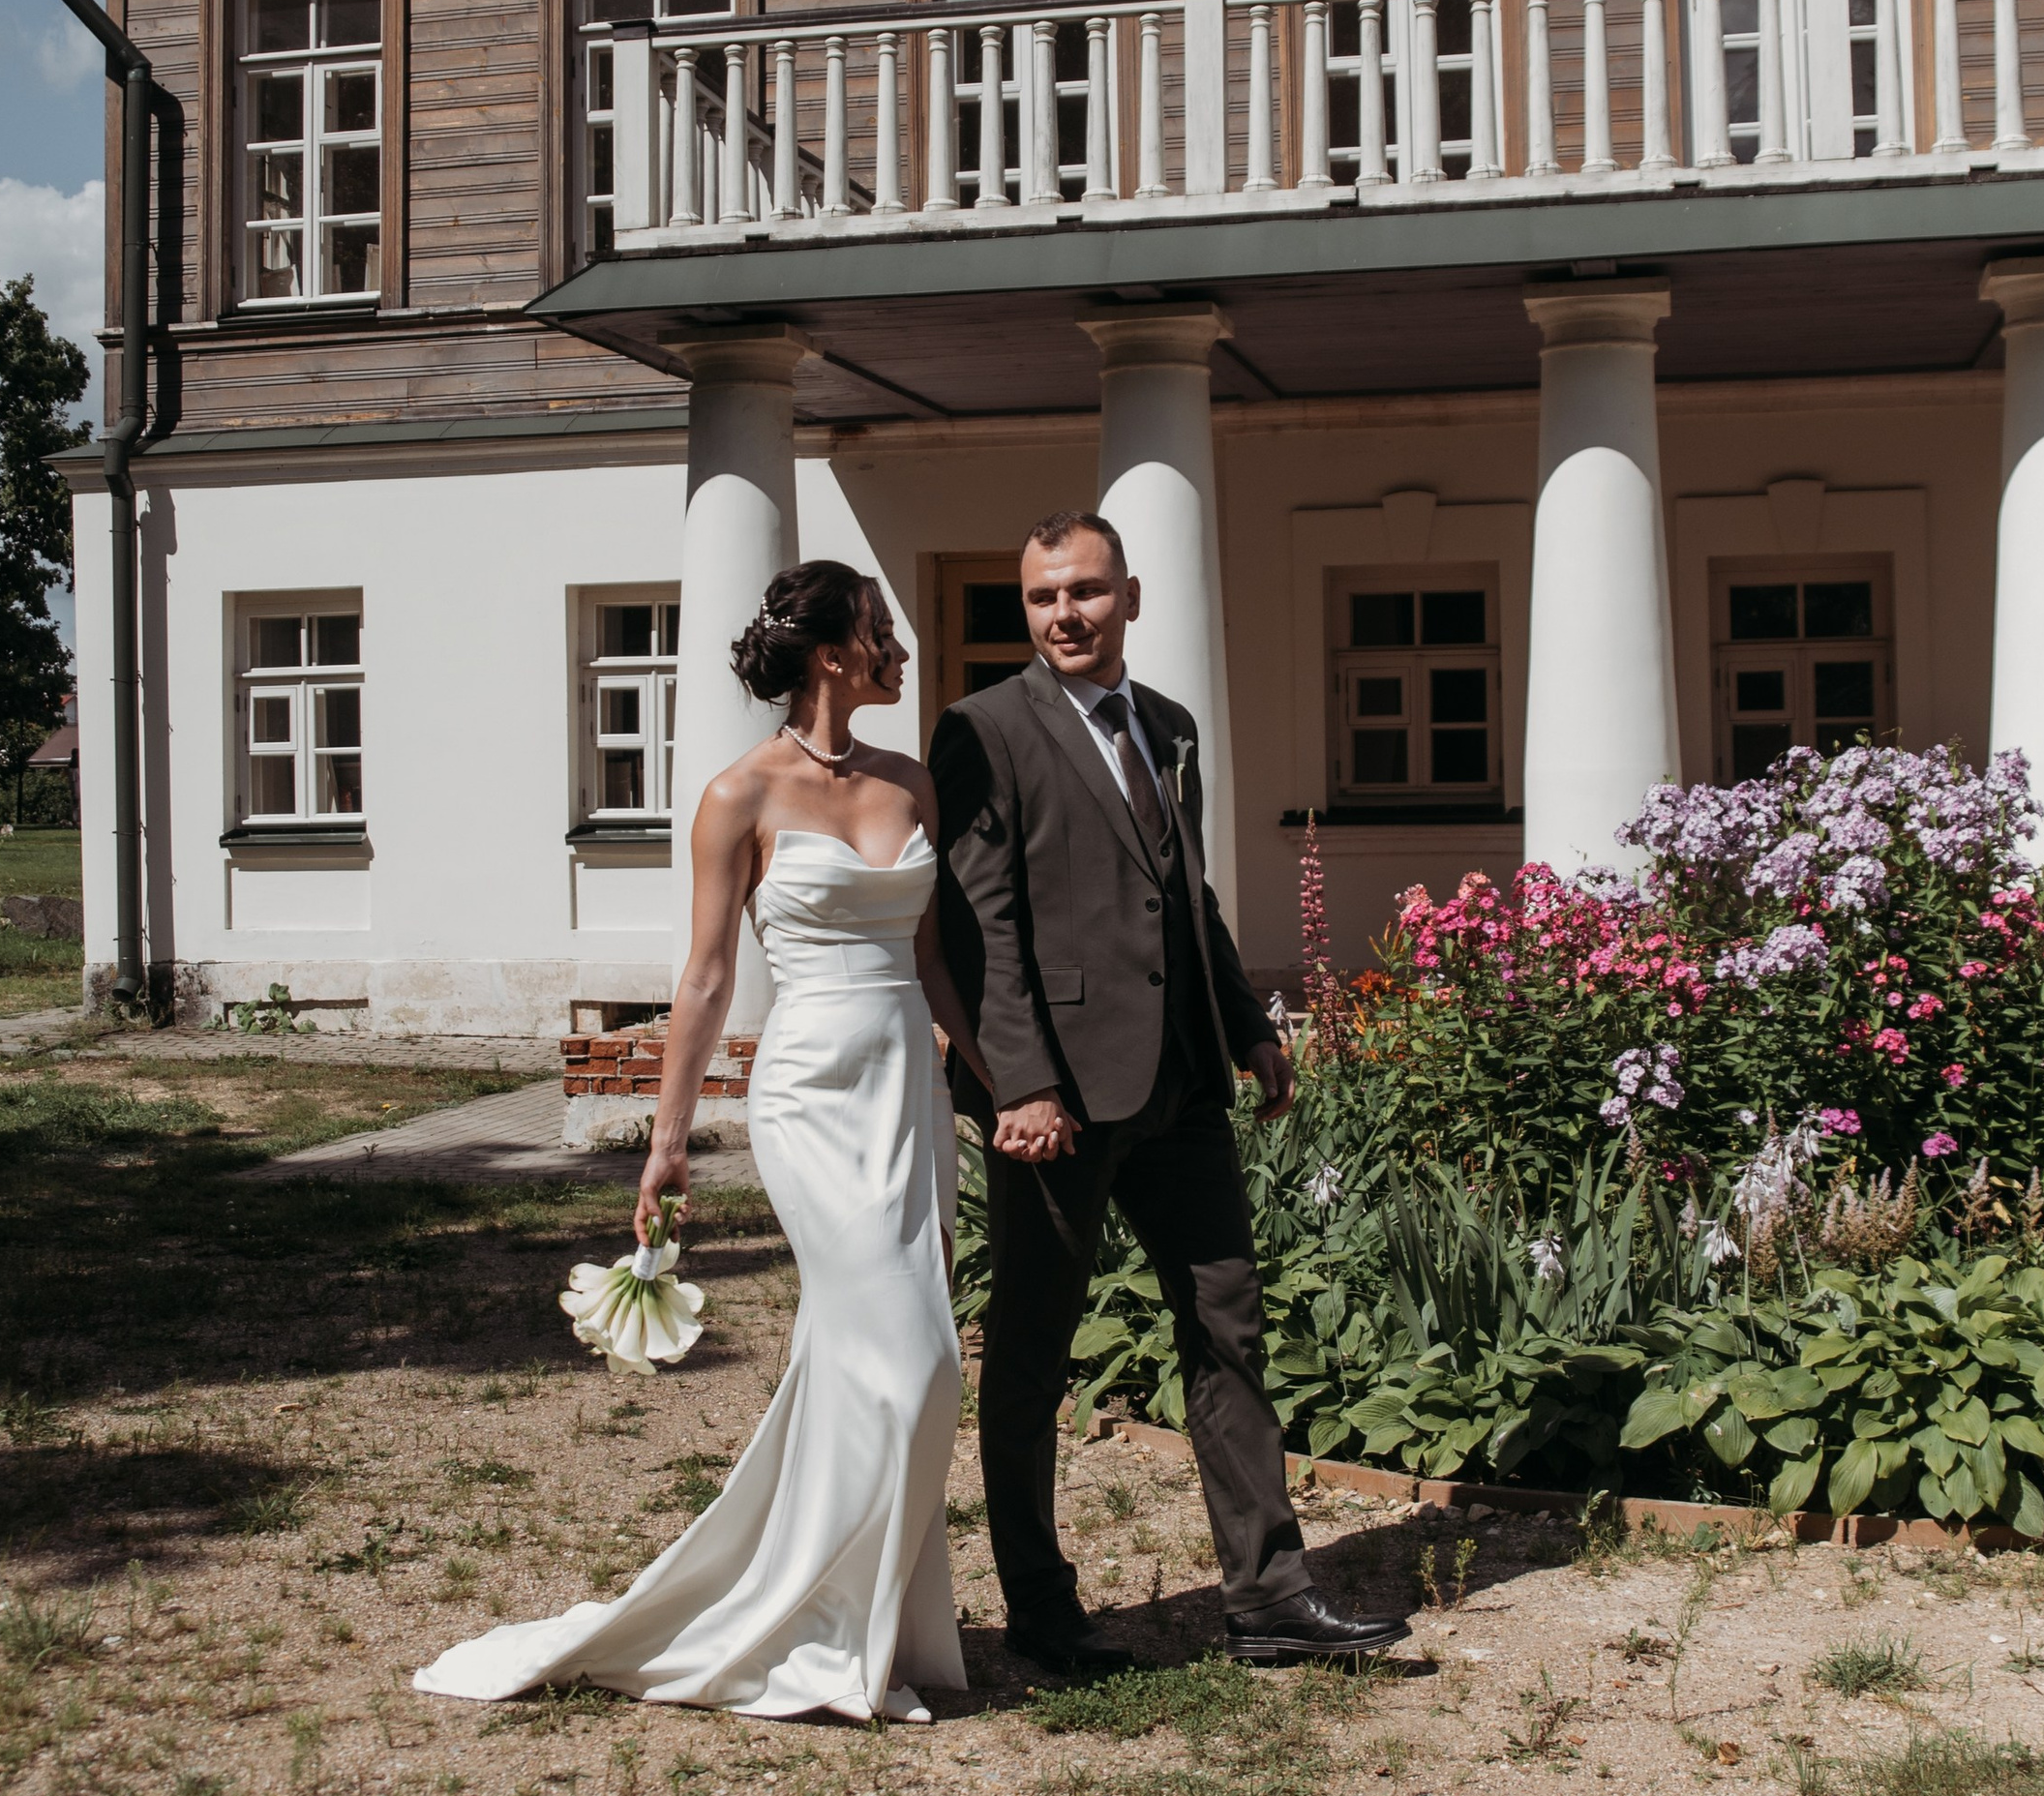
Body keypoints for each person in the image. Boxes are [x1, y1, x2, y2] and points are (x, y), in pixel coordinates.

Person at [414, 561, 979, 1725]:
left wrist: (992, 1076)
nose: (899, 647)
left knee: (879, 1360)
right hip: (810, 1097)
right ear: (832, 652)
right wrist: (667, 1141)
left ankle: (858, 1626)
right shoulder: (737, 794)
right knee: (912, 1359)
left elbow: (929, 962)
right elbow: (709, 975)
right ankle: (805, 1624)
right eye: (881, 628)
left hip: (909, 1099)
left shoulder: (911, 781)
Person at [928, 509, 1409, 1680]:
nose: (1064, 615)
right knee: (1032, 1351)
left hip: (1181, 1083)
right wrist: (1021, 1083)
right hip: (1055, 1105)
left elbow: (1186, 894)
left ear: (1130, 597)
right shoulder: (982, 729)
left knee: (1228, 1325)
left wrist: (1246, 1024)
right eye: (1043, 596)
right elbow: (980, 922)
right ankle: (1041, 1610)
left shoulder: (1169, 724)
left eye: (1085, 591)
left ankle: (1270, 1599)